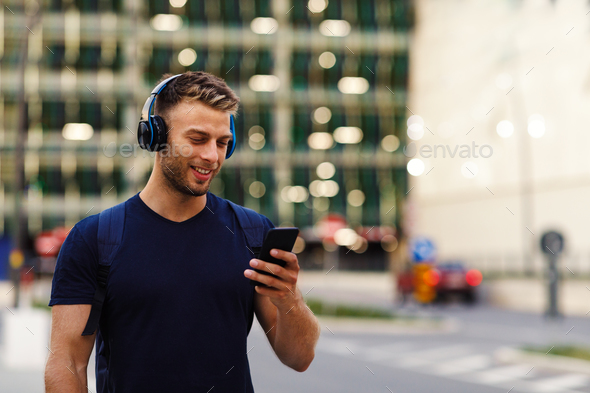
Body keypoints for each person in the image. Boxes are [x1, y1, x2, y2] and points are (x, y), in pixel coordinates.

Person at [44, 71, 321, 393]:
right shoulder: (94, 238)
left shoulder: (253, 232)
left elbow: (299, 358)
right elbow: (68, 363)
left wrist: (290, 298)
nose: (212, 156)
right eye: (198, 139)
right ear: (155, 137)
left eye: (223, 143)